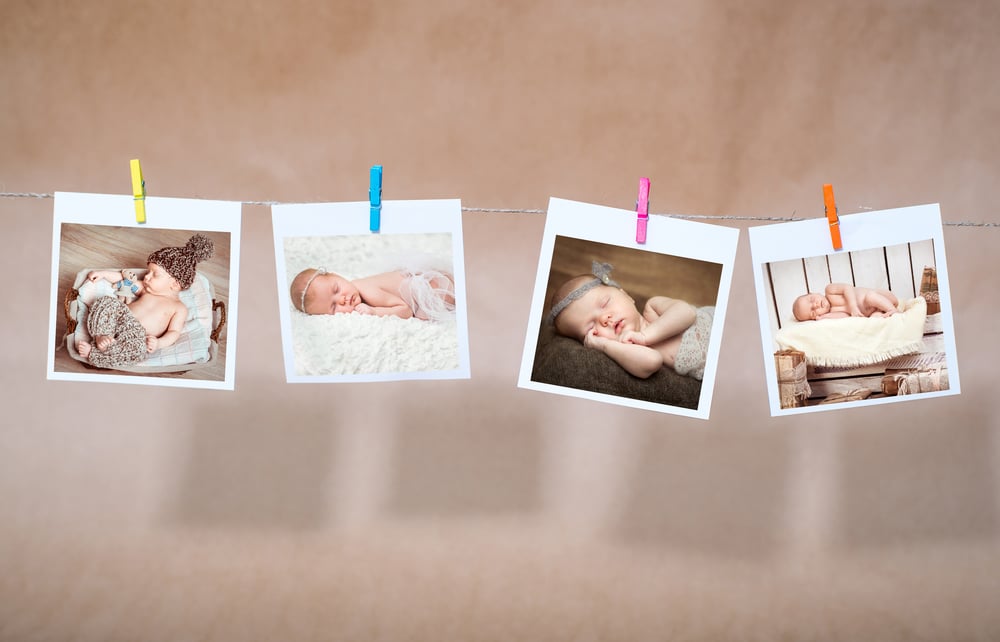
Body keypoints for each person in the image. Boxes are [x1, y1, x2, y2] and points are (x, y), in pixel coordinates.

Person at [546, 261, 713, 380]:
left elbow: (686, 313)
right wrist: (604, 345)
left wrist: (646, 336)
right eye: (591, 327)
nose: (605, 319)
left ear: (625, 294)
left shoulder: (652, 308)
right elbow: (652, 361)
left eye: (604, 304)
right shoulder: (627, 349)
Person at [75, 234, 214, 369]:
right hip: (121, 316)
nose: (147, 277)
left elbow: (173, 332)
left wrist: (158, 343)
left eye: (155, 274)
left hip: (138, 335)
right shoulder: (146, 289)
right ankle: (102, 335)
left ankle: (95, 354)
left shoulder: (179, 308)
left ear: (175, 284)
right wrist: (103, 274)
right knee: (105, 303)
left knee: (136, 351)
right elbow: (125, 281)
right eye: (148, 272)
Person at [291, 266, 455, 321]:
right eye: (333, 307)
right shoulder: (355, 288)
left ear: (337, 275)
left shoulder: (368, 292)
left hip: (431, 287)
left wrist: (375, 312)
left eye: (336, 289)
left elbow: (405, 310)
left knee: (424, 316)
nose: (342, 299)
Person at [792, 283, 900, 321]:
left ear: (813, 292)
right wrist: (822, 318)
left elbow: (847, 288)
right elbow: (844, 316)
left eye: (812, 300)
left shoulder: (829, 291)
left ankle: (892, 309)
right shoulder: (832, 312)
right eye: (813, 312)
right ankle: (889, 313)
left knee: (870, 297)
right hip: (874, 311)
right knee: (874, 320)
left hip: (883, 298)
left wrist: (853, 306)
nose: (815, 305)